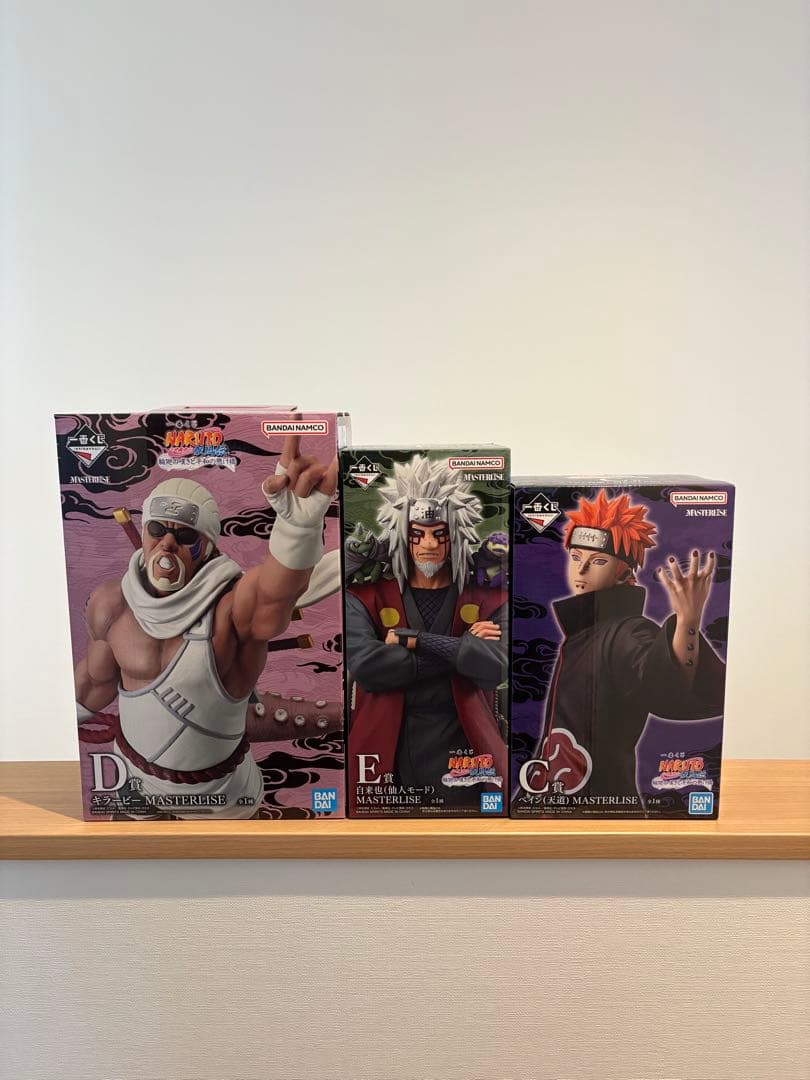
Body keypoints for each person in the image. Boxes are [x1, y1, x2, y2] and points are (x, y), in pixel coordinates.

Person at [74, 432, 337, 818]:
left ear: (209, 547)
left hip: (222, 799)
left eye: (184, 535)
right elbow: (93, 686)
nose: (167, 544)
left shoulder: (229, 609)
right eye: (157, 530)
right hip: (132, 781)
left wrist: (296, 530)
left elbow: (273, 593)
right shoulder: (111, 604)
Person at [521, 490, 726, 802]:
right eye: (576, 557)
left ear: (624, 573)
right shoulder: (583, 633)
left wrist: (687, 623)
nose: (581, 570)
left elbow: (662, 685)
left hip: (599, 804)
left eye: (598, 560)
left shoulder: (626, 632)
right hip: (557, 798)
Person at [346, 455, 508, 810]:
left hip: (467, 750)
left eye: (440, 534)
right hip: (384, 750)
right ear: (400, 536)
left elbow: (495, 666)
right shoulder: (365, 596)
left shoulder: (490, 597)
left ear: (457, 536)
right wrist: (462, 649)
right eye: (417, 535)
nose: (429, 545)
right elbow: (367, 668)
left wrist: (414, 640)